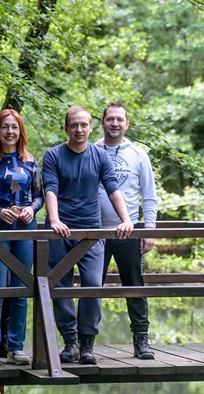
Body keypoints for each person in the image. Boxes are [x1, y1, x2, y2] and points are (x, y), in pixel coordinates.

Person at [42, 105, 134, 365]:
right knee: (60, 287)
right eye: (74, 125)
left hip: (92, 231)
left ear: (91, 127)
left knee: (93, 286)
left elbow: (113, 188)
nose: (79, 129)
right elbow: (50, 189)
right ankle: (69, 342)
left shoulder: (100, 156)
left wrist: (126, 220)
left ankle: (87, 344)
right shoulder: (53, 155)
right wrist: (55, 220)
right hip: (61, 232)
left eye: (84, 125)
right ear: (66, 128)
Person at [0, 110, 44, 366]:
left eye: (14, 127)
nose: (10, 132)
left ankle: (16, 347)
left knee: (21, 288)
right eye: (5, 127)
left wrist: (31, 209)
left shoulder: (30, 162)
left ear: (20, 131)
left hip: (25, 228)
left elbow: (39, 196)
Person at [97, 102, 159, 360]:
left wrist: (149, 229)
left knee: (135, 286)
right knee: (90, 289)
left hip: (129, 231)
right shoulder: (91, 150)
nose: (114, 123)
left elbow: (150, 195)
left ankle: (141, 340)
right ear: (102, 123)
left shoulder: (138, 154)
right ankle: (82, 342)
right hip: (95, 233)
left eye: (119, 119)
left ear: (126, 124)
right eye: (110, 119)